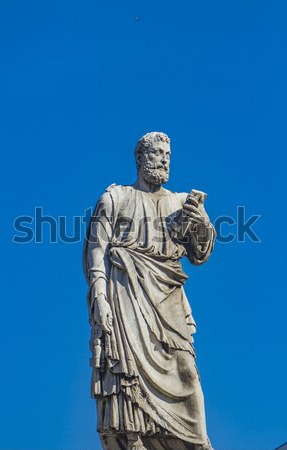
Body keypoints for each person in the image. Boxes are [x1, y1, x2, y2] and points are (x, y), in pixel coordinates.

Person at [83, 132, 216, 450]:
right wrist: (99, 296)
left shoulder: (179, 202)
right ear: (140, 158)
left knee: (187, 371)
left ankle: (196, 442)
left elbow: (199, 255)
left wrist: (199, 225)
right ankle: (136, 438)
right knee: (129, 376)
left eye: (168, 154)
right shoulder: (115, 198)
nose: (165, 159)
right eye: (158, 153)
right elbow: (96, 249)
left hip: (168, 299)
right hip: (126, 295)